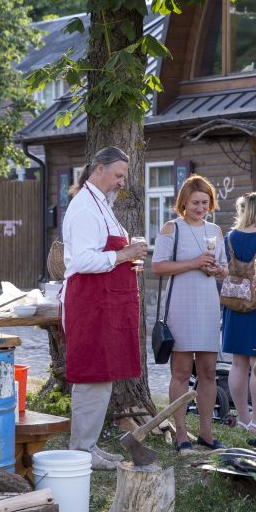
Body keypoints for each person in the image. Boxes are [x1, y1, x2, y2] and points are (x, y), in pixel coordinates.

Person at [61, 147, 147, 471]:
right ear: (98, 169)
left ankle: (89, 447)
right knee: (91, 375)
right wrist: (123, 256)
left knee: (103, 376)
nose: (122, 182)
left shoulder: (101, 206)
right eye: (118, 175)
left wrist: (126, 262)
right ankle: (81, 450)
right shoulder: (84, 207)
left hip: (105, 302)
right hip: (90, 303)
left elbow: (104, 253)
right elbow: (82, 260)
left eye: (123, 176)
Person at [152, 174, 229, 454]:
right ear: (184, 202)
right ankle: (182, 434)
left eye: (205, 202)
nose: (200, 207)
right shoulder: (172, 228)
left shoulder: (216, 231)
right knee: (182, 371)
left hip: (208, 304)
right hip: (182, 305)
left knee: (209, 371)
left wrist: (217, 270)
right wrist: (194, 262)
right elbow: (158, 267)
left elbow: (225, 268)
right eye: (195, 202)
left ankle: (207, 434)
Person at [220, 193, 256, 436]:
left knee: (237, 363)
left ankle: (242, 418)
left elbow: (223, 269)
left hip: (234, 304)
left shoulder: (229, 238)